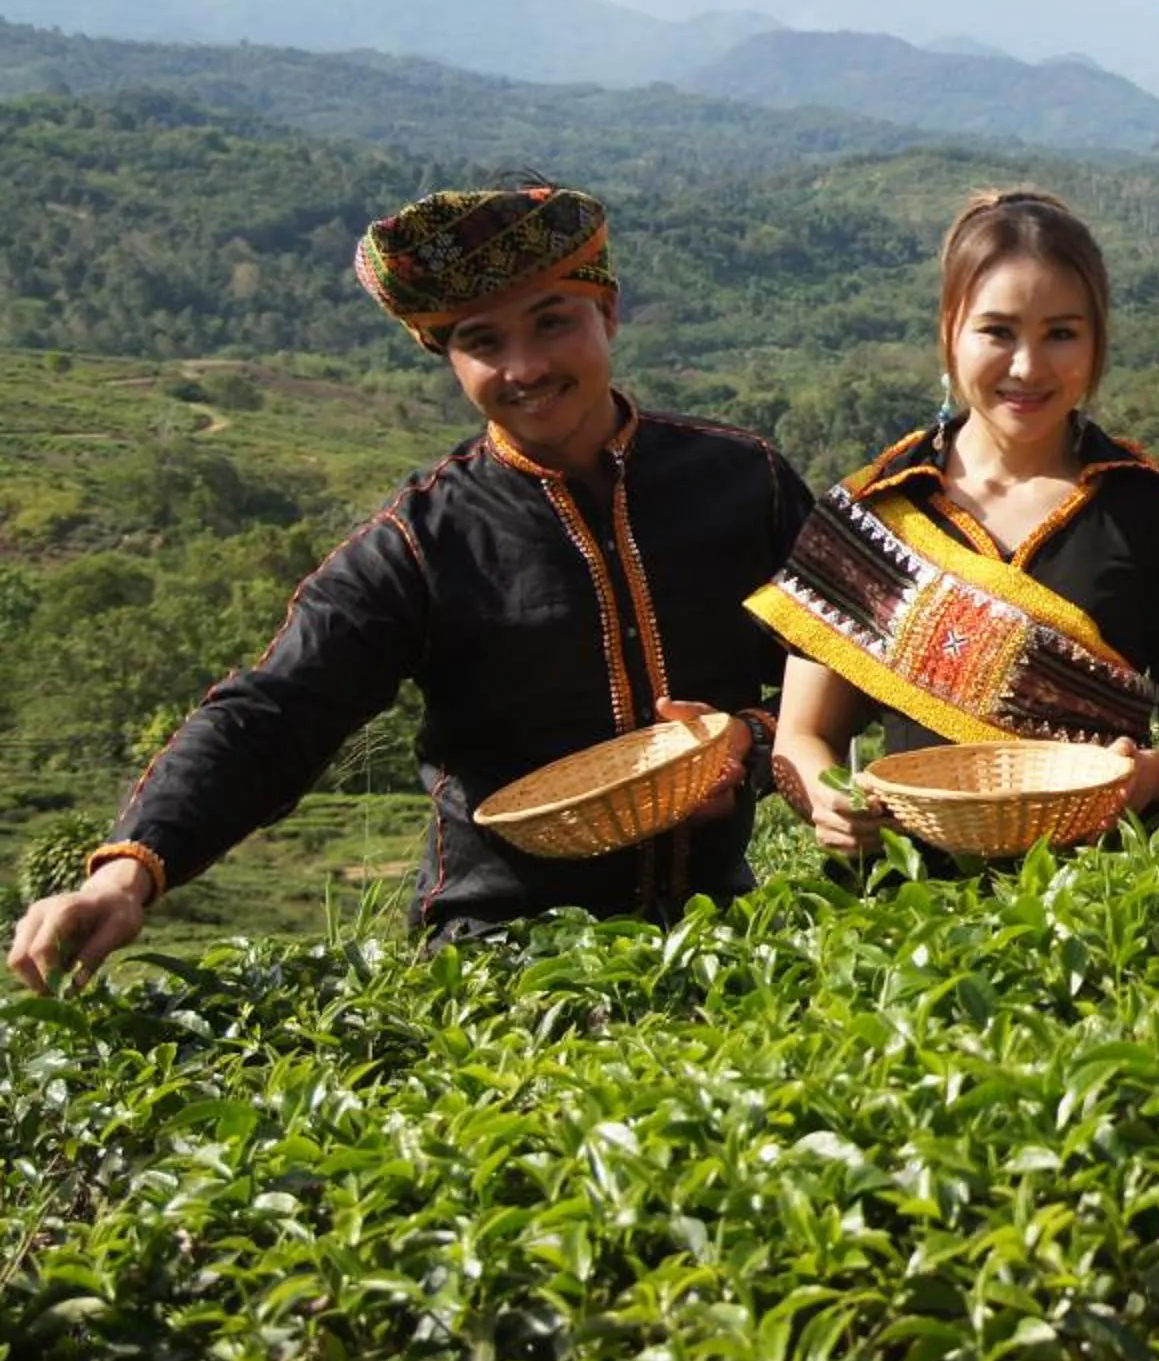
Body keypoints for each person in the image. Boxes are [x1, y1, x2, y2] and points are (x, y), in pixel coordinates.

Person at [9, 181, 811, 991]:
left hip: (721, 928)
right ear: (449, 358)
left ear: (608, 314)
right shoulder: (419, 543)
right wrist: (128, 870)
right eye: (482, 341)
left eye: (552, 322)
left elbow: (850, 662)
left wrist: (751, 738)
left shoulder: (745, 482)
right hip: (500, 957)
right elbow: (275, 711)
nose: (524, 367)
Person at [753, 190, 1159, 856]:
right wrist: (826, 799)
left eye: (1061, 334)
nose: (1028, 368)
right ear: (950, 328)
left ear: (1098, 339)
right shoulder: (872, 518)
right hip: (903, 910)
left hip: (1097, 904)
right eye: (997, 332)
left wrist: (1158, 773)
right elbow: (801, 738)